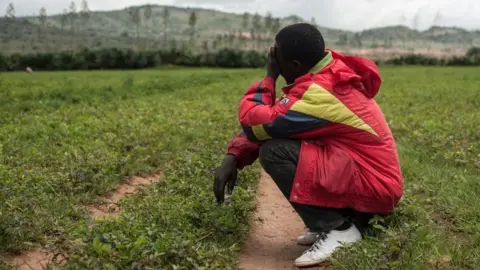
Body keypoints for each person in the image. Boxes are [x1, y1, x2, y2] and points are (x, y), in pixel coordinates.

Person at [213, 23, 403, 267]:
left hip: (374, 187)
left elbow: (256, 122)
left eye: (277, 59)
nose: (274, 62)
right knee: (284, 139)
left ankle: (339, 229)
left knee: (274, 151)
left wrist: (269, 76)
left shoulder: (319, 92)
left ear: (294, 66)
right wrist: (235, 154)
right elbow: (278, 121)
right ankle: (340, 218)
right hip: (370, 179)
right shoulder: (324, 76)